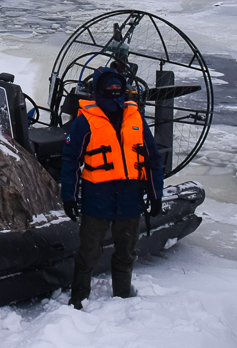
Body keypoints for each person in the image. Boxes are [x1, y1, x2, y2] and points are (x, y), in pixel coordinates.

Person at [60, 66, 165, 309]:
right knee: (88, 252)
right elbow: (70, 159)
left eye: (119, 87)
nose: (115, 92)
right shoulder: (84, 121)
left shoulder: (135, 118)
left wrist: (155, 194)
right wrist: (69, 196)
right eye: (110, 88)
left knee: (126, 252)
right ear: (97, 91)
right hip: (97, 199)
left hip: (130, 199)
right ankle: (78, 300)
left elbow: (152, 158)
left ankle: (123, 297)